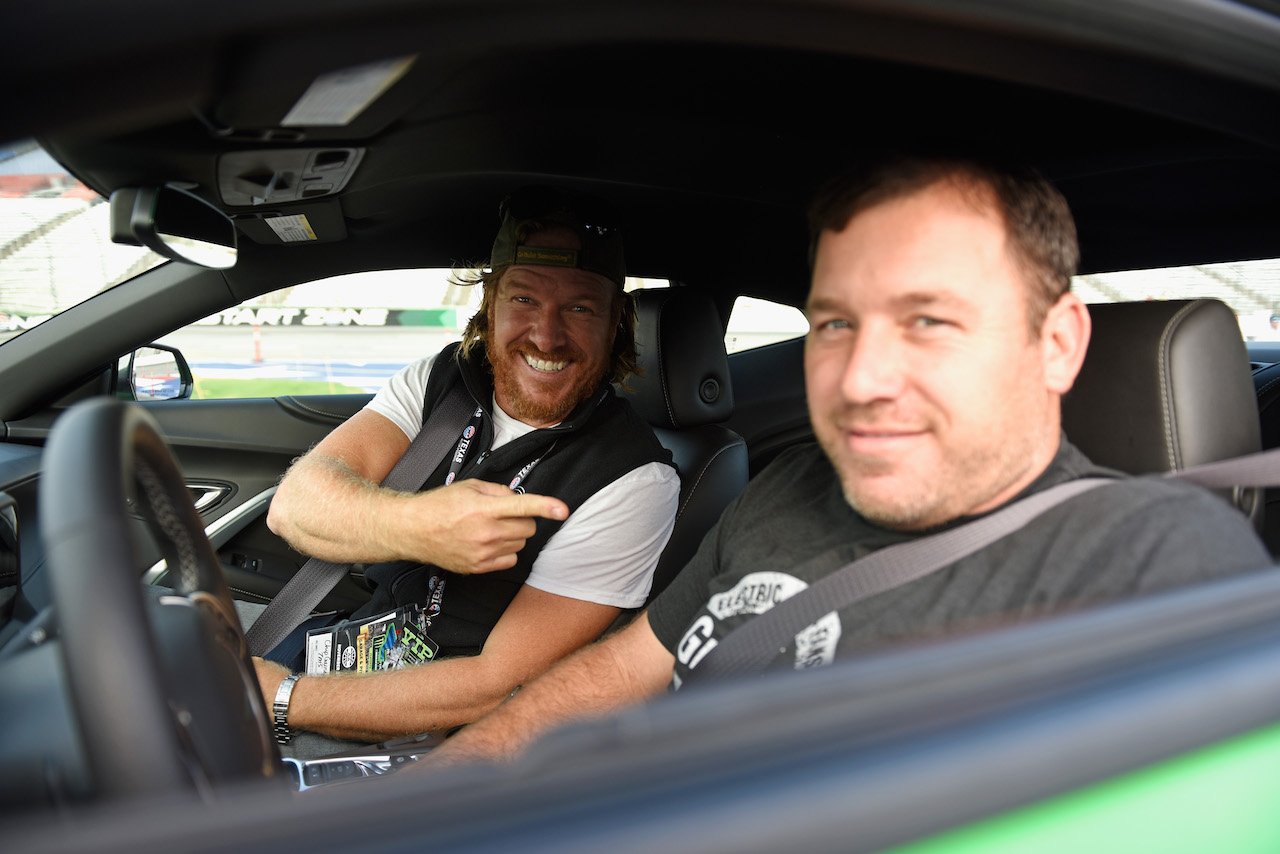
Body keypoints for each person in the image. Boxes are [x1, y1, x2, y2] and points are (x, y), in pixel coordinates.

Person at [417, 155, 1271, 766]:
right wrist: (442, 792)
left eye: (928, 321)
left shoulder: (1155, 558)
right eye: (834, 324)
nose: (860, 380)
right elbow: (617, 671)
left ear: (1055, 346)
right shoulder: (787, 488)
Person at [253, 186, 680, 748]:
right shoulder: (442, 382)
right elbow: (296, 507)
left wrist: (286, 700)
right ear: (491, 304)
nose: (547, 336)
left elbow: (496, 687)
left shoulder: (637, 478)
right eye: (524, 300)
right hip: (355, 646)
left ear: (615, 325)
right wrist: (421, 528)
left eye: (579, 308)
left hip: (435, 729)